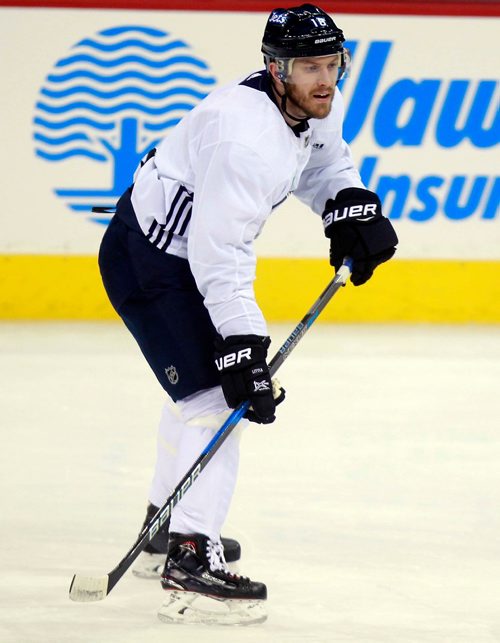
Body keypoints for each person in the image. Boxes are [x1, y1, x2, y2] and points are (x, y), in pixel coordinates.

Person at [98, 3, 398, 626]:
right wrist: (243, 345)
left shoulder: (312, 103)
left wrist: (347, 205)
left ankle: (164, 530)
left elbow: (323, 163)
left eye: (332, 63)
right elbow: (219, 252)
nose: (325, 79)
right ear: (275, 68)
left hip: (180, 256)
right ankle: (188, 557)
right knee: (215, 402)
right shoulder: (243, 136)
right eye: (309, 66)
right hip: (152, 263)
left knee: (201, 401)